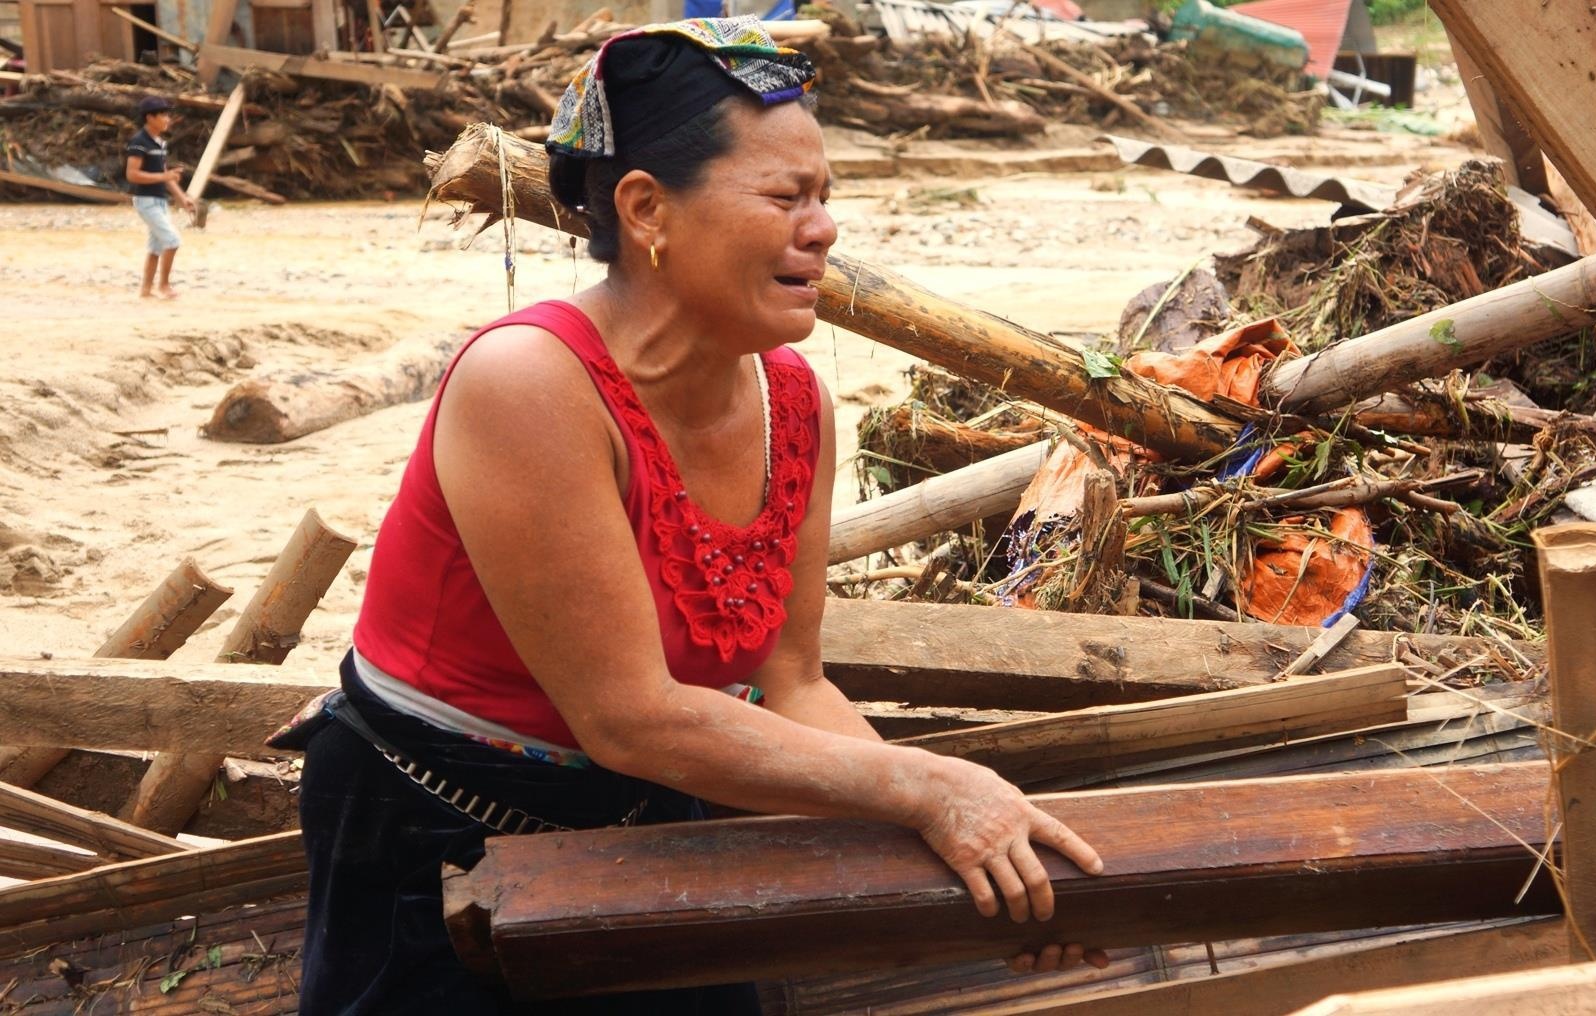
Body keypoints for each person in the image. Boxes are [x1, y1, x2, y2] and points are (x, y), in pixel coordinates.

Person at [284, 17, 1106, 1014]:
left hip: (655, 815)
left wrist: (975, 860)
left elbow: (793, 684)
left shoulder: (794, 400)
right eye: (784, 197)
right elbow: (629, 714)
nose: (823, 228)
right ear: (646, 209)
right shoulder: (529, 381)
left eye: (824, 198)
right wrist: (932, 789)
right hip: (435, 831)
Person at [125, 96, 195, 299]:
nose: (167, 119)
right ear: (150, 118)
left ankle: (146, 291)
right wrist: (164, 176)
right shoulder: (139, 142)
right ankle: (164, 286)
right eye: (163, 115)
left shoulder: (160, 143)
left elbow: (165, 174)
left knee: (155, 248)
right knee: (172, 241)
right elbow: (132, 174)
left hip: (160, 200)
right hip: (146, 201)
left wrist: (182, 198)